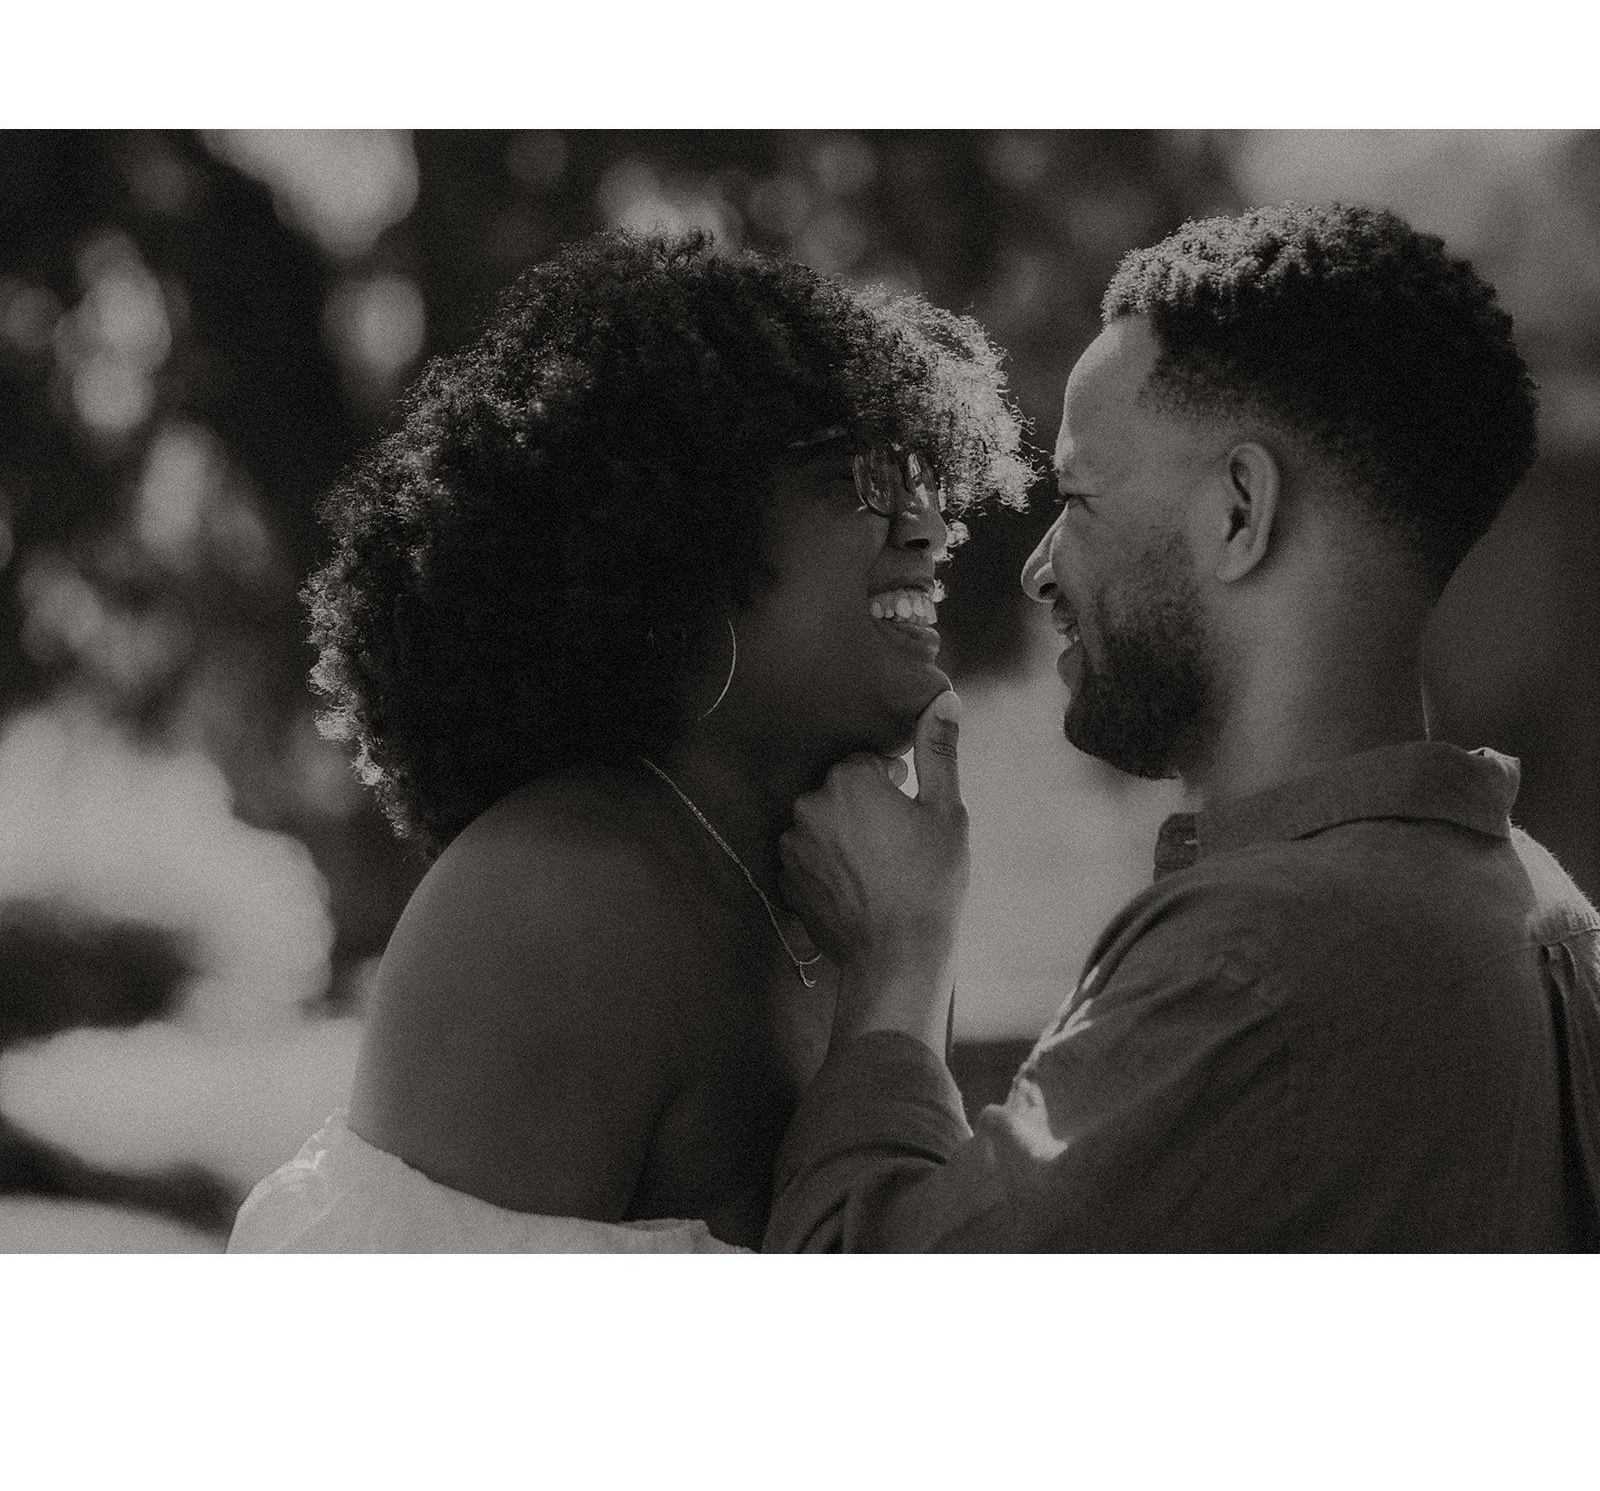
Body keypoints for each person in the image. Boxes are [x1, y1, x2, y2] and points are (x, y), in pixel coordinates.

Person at [765, 201, 1600, 1252]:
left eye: (1077, 498)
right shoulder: (1547, 913)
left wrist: (897, 962)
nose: (1038, 569)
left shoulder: (1259, 966)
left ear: (1239, 511)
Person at [227, 230, 1031, 1253]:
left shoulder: (851, 899)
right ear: (681, 538)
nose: (928, 529)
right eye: (861, 476)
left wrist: (904, 961)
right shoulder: (560, 893)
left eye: (928, 482)